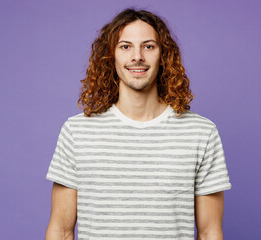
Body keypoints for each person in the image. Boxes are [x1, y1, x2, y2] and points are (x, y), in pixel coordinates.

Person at [45, 8, 232, 240]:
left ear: (163, 55)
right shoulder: (76, 132)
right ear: (110, 56)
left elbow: (209, 232)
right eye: (125, 46)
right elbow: (61, 231)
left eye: (148, 46)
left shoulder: (201, 133)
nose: (137, 57)